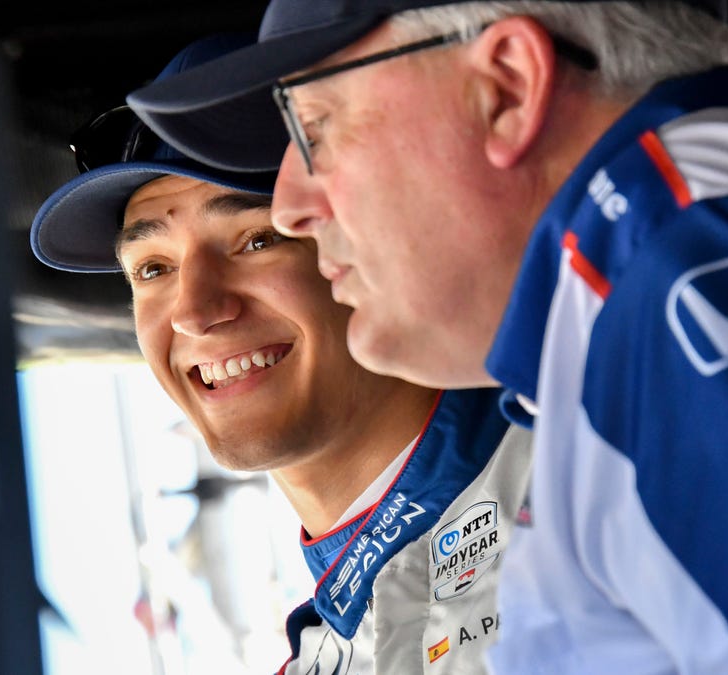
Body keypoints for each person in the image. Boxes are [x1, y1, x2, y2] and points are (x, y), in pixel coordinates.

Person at [124, 2, 728, 673]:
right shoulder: (626, 300)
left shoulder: (682, 262)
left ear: (507, 88)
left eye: (317, 129)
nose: (291, 202)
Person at [30, 32, 533, 674]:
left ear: (373, 236)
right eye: (153, 268)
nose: (194, 310)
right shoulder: (326, 649)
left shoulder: (592, 461)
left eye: (256, 239)